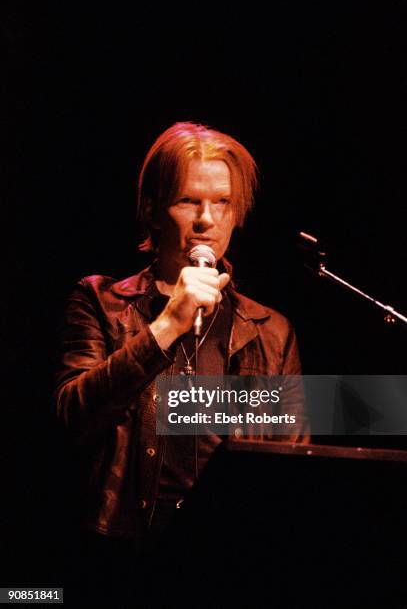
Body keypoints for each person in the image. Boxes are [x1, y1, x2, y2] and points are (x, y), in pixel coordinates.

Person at [55, 121, 309, 605]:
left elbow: (291, 468)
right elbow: (71, 418)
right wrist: (166, 326)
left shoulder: (271, 331)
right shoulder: (100, 302)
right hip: (124, 561)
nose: (206, 220)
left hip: (230, 569)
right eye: (188, 201)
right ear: (152, 210)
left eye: (222, 203)